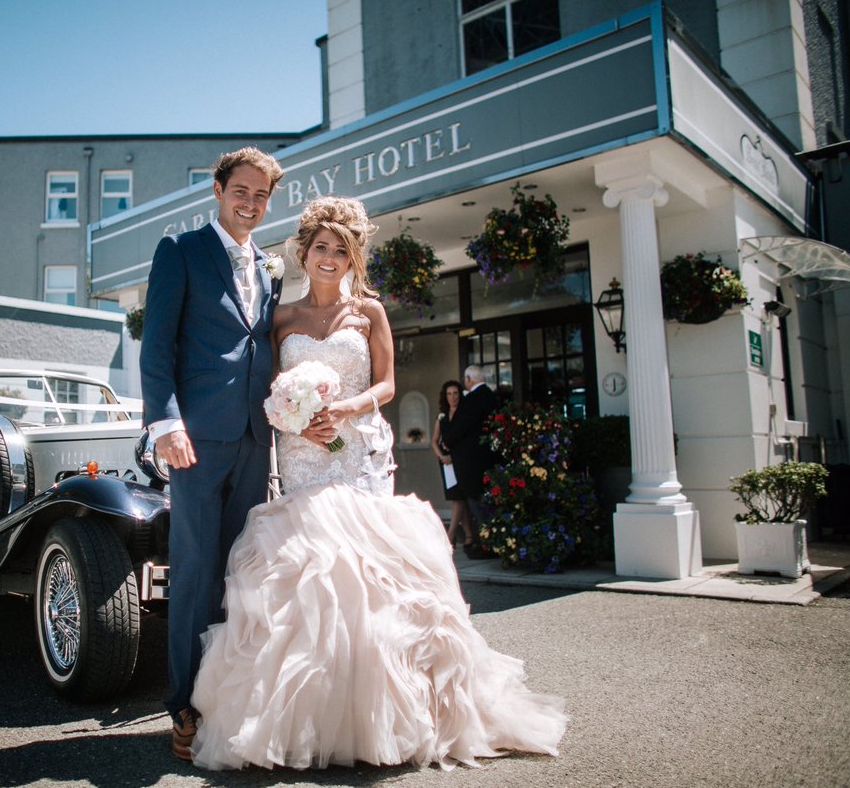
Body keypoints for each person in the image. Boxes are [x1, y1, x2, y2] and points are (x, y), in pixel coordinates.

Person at [189, 196, 568, 770]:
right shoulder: (283, 318)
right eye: (321, 248)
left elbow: (388, 384)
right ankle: (311, 718)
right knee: (308, 576)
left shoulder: (369, 312)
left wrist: (343, 410)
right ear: (304, 251)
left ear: (353, 257)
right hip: (301, 455)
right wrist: (289, 416)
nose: (330, 258)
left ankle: (387, 714)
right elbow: (264, 389)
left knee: (366, 577)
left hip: (354, 451)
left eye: (342, 251)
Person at [139, 146, 285, 761]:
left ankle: (228, 699)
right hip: (194, 442)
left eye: (261, 197)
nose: (250, 205)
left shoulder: (272, 269)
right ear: (218, 190)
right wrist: (164, 422)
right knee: (196, 574)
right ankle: (184, 708)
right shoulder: (181, 252)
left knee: (240, 576)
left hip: (256, 440)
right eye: (241, 192)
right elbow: (157, 347)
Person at [443, 364, 499, 558]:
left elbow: (460, 427)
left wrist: (448, 440)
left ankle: (487, 542)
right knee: (484, 500)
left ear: (468, 380)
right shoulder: (491, 396)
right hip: (487, 457)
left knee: (477, 500)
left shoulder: (472, 399)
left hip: (471, 460)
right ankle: (487, 539)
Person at [431, 379, 471, 547]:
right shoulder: (442, 417)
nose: (452, 397)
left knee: (459, 498)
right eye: (449, 394)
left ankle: (450, 535)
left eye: (455, 393)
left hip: (460, 460)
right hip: (446, 463)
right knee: (458, 497)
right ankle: (469, 536)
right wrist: (442, 456)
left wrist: (453, 457)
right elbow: (434, 441)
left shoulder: (464, 414)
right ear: (445, 396)